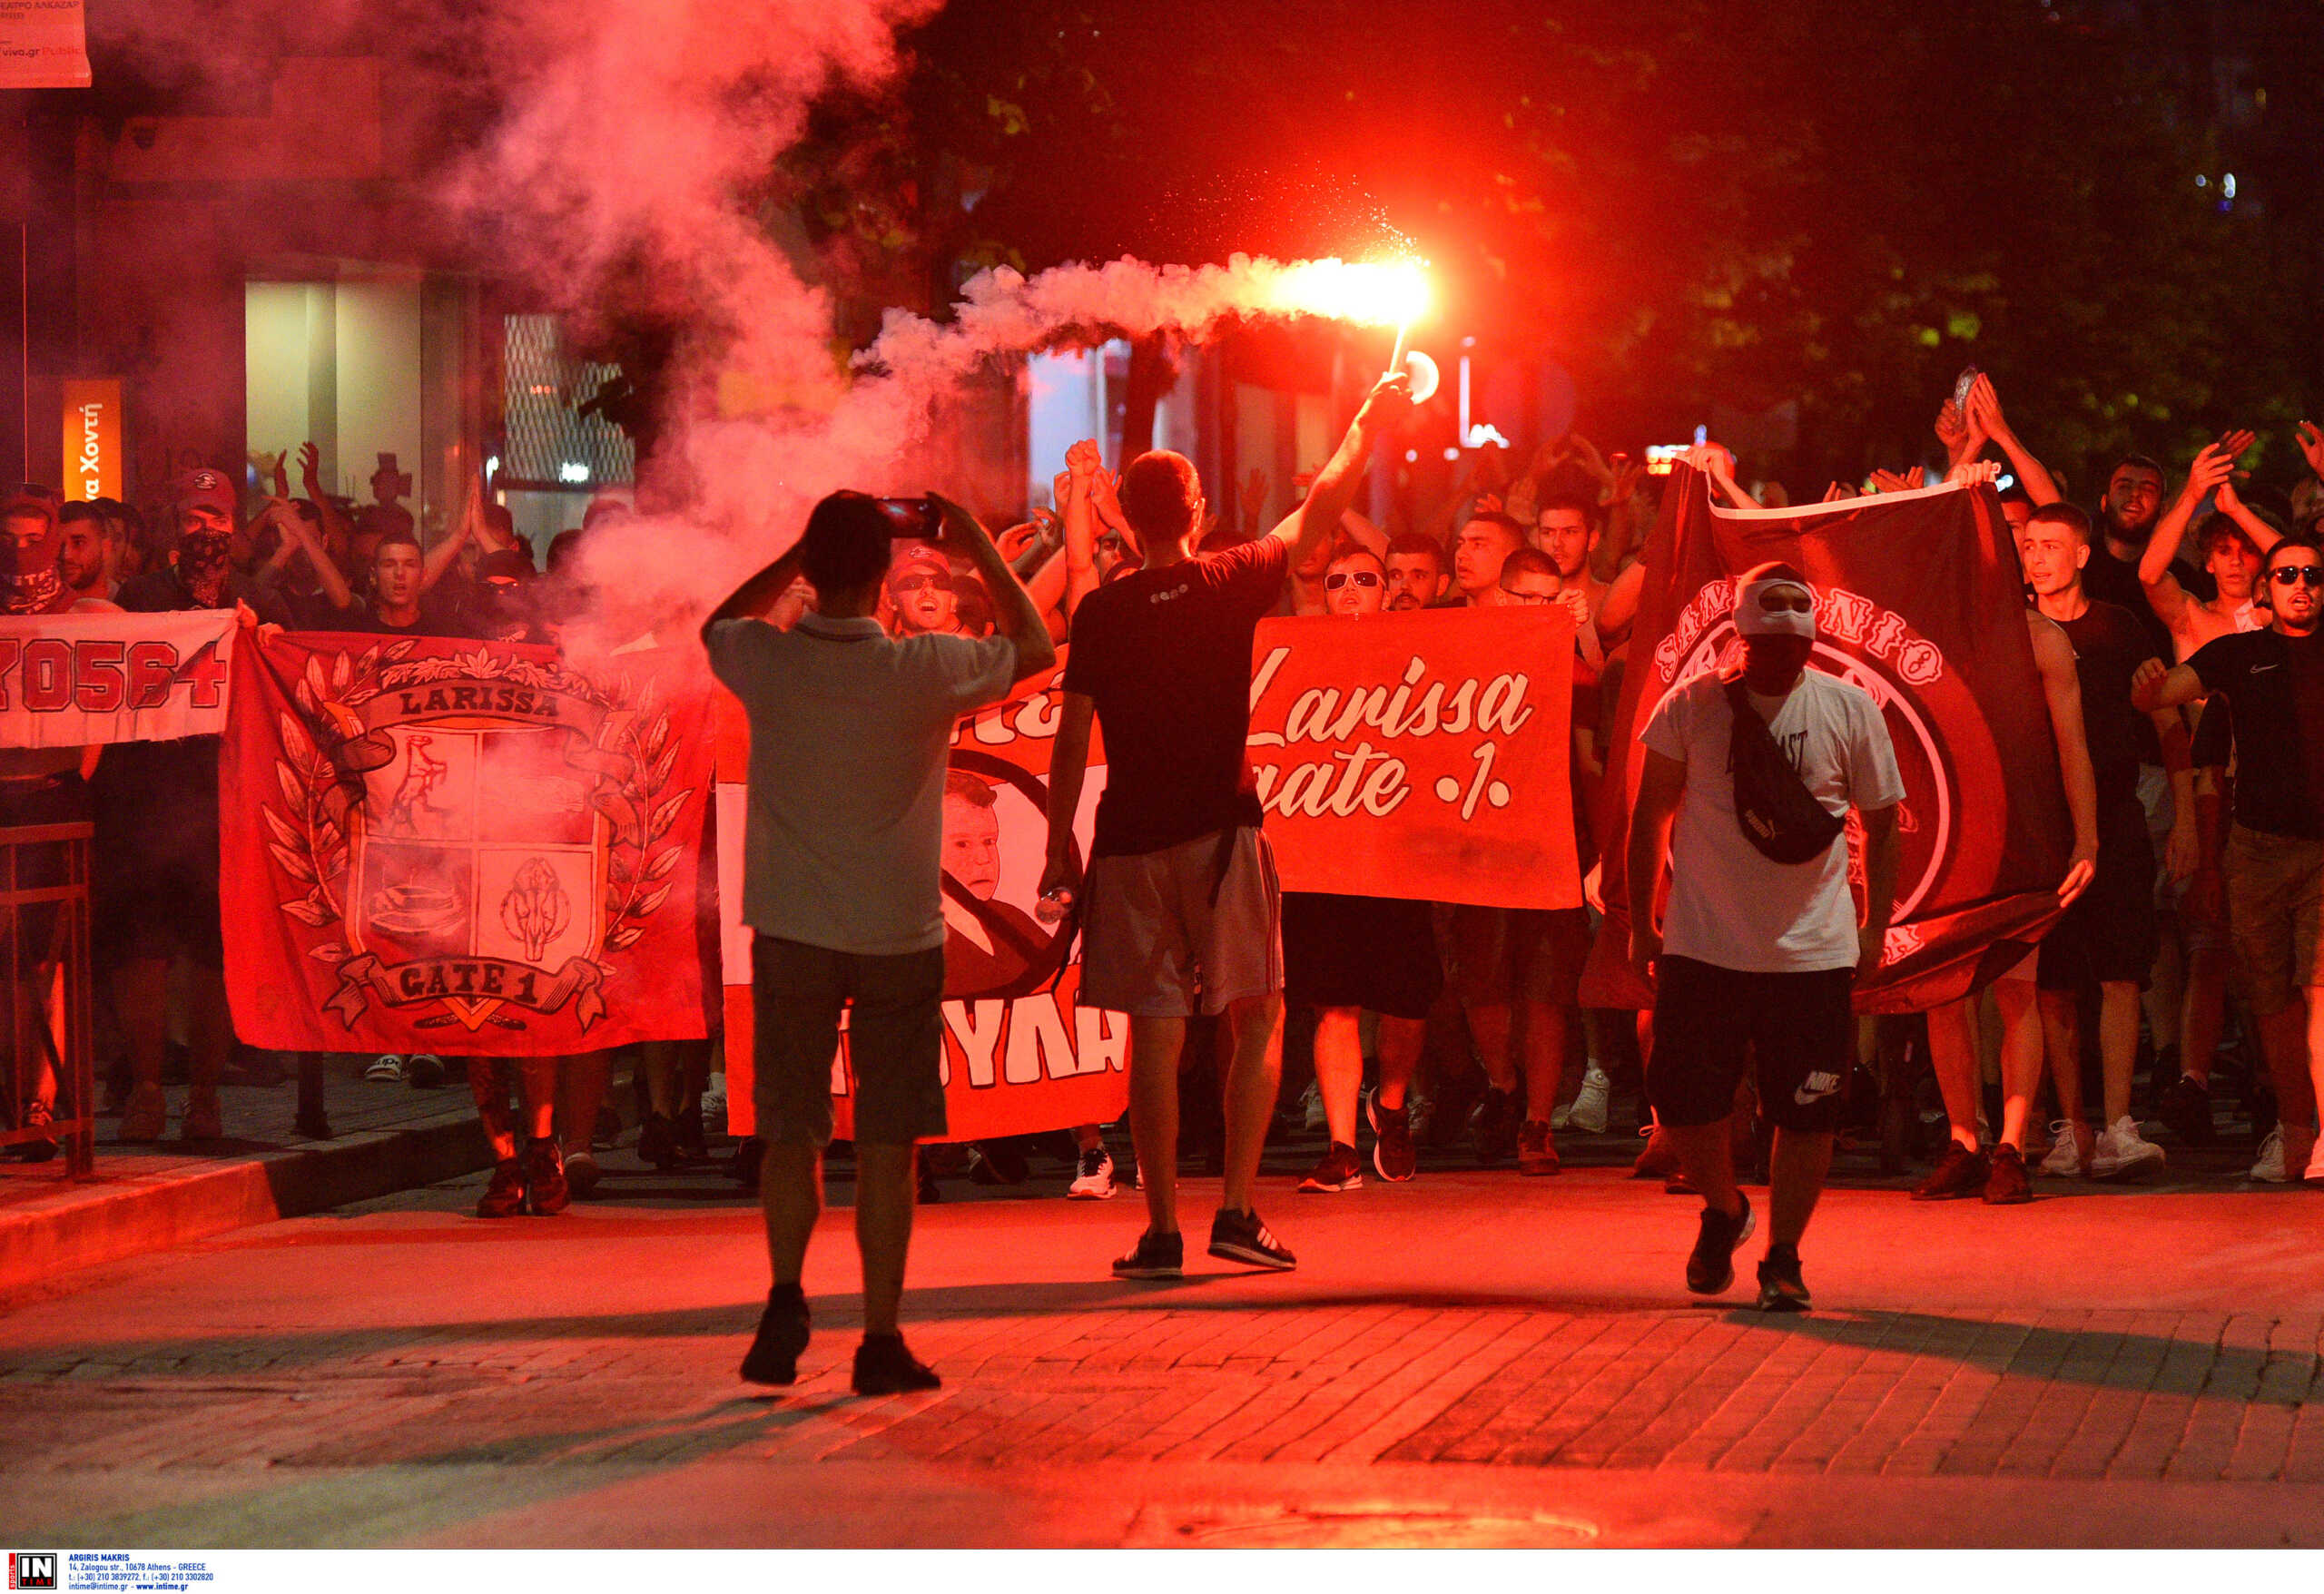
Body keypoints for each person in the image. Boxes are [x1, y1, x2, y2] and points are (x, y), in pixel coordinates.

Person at [1039, 372, 1411, 1281]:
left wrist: (1060, 843)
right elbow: (1318, 508)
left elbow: (1071, 736)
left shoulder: (1099, 611)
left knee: (1156, 1036)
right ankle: (1237, 1210)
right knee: (1259, 1012)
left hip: (1128, 844)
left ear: (1124, 517)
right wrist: (1368, 419)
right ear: (1197, 509)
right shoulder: (1228, 579)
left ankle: (1163, 1228)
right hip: (1220, 837)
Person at [707, 488, 1051, 1393]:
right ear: (884, 578)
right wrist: (976, 544)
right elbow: (1036, 647)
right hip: (898, 928)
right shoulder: (923, 668)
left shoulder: (769, 661)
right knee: (891, 1140)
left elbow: (718, 622)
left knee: (792, 1129)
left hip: (791, 924)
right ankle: (881, 1333)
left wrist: (794, 553)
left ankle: (786, 1291)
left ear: (814, 573)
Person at [1627, 563, 1904, 1313]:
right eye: (1766, 643)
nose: (1781, 657)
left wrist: (1874, 923)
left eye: (1794, 646)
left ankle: (1784, 1254)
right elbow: (1649, 815)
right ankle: (1724, 1211)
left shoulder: (1851, 709)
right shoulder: (1692, 707)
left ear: (1810, 644)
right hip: (1702, 941)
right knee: (1681, 1096)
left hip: (1811, 950)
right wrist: (1640, 923)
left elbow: (1882, 823)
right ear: (1742, 638)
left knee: (1807, 1107)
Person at [104, 468, 292, 1142]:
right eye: (192, 519)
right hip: (153, 800)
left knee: (214, 955)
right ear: (173, 525)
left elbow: (293, 686)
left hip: (227, 800)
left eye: (215, 520)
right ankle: (149, 1090)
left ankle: (206, 1099)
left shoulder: (260, 598)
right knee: (143, 952)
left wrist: (261, 640)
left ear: (234, 528)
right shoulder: (140, 598)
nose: (204, 533)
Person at [2133, 533, 2324, 1186]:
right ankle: (2297, 1132)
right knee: (2271, 999)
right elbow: (2160, 698)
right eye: (2286, 575)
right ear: (2267, 591)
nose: (2300, 584)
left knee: (2321, 992)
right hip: (2256, 850)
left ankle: (2322, 1133)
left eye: (2311, 574)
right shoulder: (2238, 654)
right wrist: (2145, 683)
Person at [2014, 504, 2181, 1179]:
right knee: (2052, 982)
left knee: (2121, 972)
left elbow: (2166, 712)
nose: (2039, 558)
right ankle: (2068, 1126)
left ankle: (2117, 1125)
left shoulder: (2118, 625)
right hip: (2040, 822)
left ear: (2082, 554)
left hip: (2115, 812)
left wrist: (2189, 824)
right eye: (2029, 547)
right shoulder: (2012, 630)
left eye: (2052, 546)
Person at [1914, 608, 2100, 1203]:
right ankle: (1963, 1139)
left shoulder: (2042, 639)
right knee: (1944, 993)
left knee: (2018, 988)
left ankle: (2011, 1146)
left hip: (2022, 832)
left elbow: (2072, 745)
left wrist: (2087, 836)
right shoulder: (1930, 621)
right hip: (1948, 834)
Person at [1283, 546, 1443, 1190]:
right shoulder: (1293, 654)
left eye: (1364, 579)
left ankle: (1393, 1107)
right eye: (1336, 581)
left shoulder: (1426, 647)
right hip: (1324, 855)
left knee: (1406, 1002)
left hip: (1401, 852)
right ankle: (1342, 1145)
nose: (1349, 589)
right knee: (1336, 1003)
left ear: (1389, 591)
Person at [1450, 511, 1526, 608]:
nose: (1461, 554)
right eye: (1460, 544)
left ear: (1510, 559)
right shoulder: (1436, 618)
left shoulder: (1526, 618)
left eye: (1478, 545)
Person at [55, 502, 120, 604]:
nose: (66, 555)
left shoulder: (132, 605)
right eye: (57, 545)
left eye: (79, 543)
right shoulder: (37, 611)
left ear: (105, 548)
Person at [1384, 532, 1450, 611]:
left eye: (1418, 577)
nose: (1405, 586)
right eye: (1395, 576)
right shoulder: (1371, 622)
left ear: (1441, 585)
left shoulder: (1459, 621)